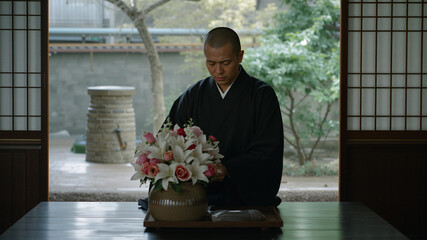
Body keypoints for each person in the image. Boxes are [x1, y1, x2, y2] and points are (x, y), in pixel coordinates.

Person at [166, 27, 284, 207]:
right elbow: (170, 139)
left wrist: (229, 169)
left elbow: (268, 151)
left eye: (225, 62)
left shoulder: (261, 96)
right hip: (197, 193)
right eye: (211, 63)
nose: (218, 71)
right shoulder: (193, 95)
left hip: (245, 194)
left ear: (240, 56)